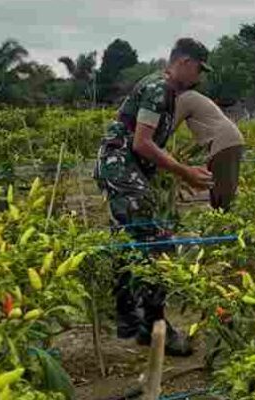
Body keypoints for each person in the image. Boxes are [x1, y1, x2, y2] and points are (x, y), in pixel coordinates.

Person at [94, 38, 217, 357]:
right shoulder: (159, 89)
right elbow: (142, 144)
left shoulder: (166, 92)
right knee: (157, 241)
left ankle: (127, 319)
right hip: (121, 166)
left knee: (127, 240)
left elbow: (149, 148)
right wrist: (184, 172)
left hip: (121, 167)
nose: (199, 77)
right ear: (185, 62)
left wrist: (179, 174)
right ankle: (154, 326)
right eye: (199, 69)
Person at [173, 90, 245, 211]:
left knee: (222, 193)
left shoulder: (184, 99)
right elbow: (200, 140)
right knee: (221, 186)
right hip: (229, 140)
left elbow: (169, 126)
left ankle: (225, 224)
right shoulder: (194, 97)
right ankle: (223, 218)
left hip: (224, 143)